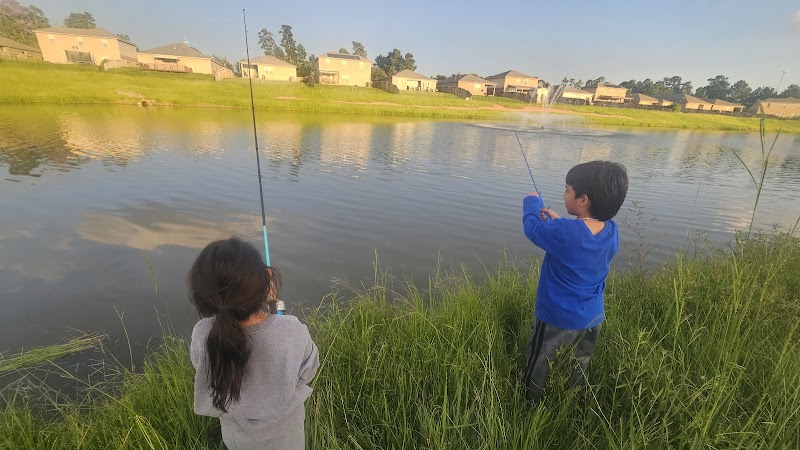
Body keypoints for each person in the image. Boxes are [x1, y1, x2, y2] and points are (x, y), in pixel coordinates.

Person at [188, 237, 319, 450]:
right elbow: (307, 372)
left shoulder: (202, 333)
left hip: (236, 438)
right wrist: (276, 311)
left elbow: (202, 367)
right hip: (286, 438)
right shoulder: (292, 330)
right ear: (267, 280)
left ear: (202, 296)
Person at [521, 160, 628, 405]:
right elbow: (581, 239)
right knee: (578, 361)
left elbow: (533, 228)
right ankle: (569, 398)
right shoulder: (611, 230)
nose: (563, 194)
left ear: (583, 200)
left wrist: (532, 201)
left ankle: (531, 404)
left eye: (567, 190)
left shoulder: (565, 232)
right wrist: (562, 223)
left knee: (541, 359)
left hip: (556, 318)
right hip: (592, 317)